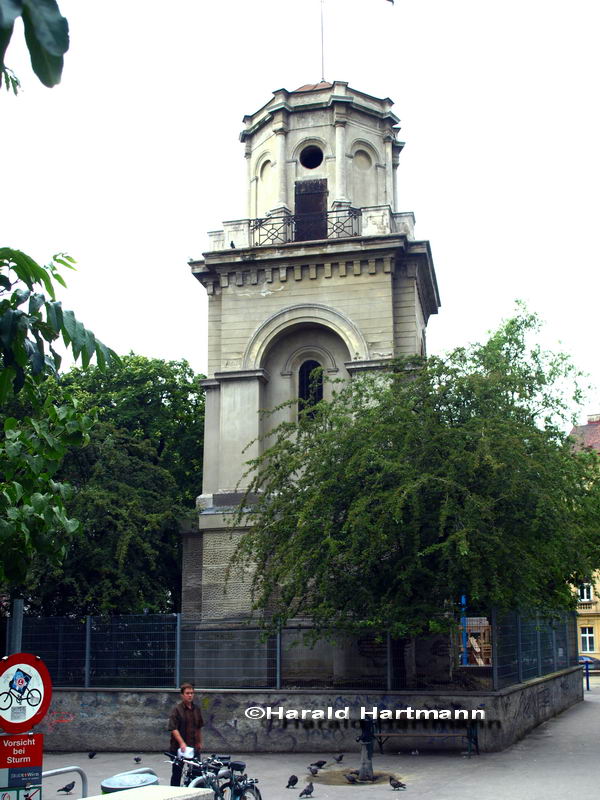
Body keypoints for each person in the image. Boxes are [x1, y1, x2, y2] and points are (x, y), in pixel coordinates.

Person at [167, 682, 204, 786]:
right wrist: (182, 743)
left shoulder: (197, 709)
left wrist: (199, 742)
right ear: (182, 695)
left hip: (193, 746)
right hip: (178, 748)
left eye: (192, 693)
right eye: (187, 693)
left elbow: (199, 727)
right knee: (177, 773)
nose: (190, 695)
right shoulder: (177, 710)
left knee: (197, 772)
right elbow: (173, 728)